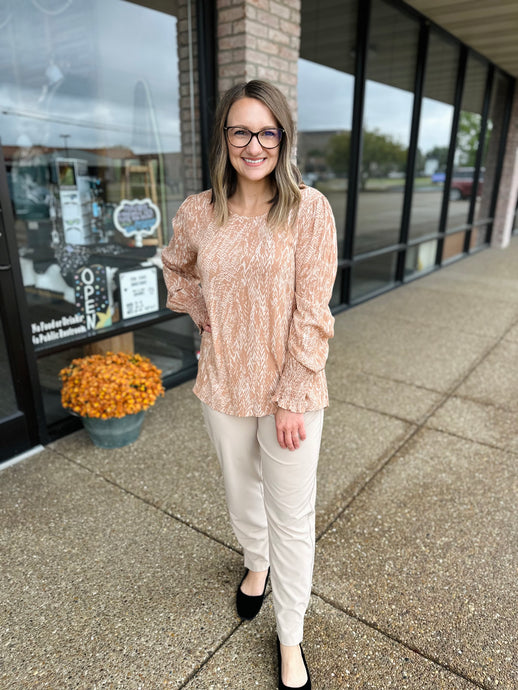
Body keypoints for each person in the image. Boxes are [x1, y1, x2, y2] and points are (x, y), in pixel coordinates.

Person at [162, 80, 337, 690]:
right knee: (242, 498)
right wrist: (205, 314)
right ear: (225, 138)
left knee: (292, 516)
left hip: (290, 394)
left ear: (282, 138)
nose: (253, 144)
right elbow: (176, 266)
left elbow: (313, 310)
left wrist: (293, 394)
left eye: (266, 131)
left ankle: (290, 637)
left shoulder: (307, 209)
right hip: (223, 385)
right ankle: (254, 565)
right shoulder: (197, 211)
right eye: (241, 130)